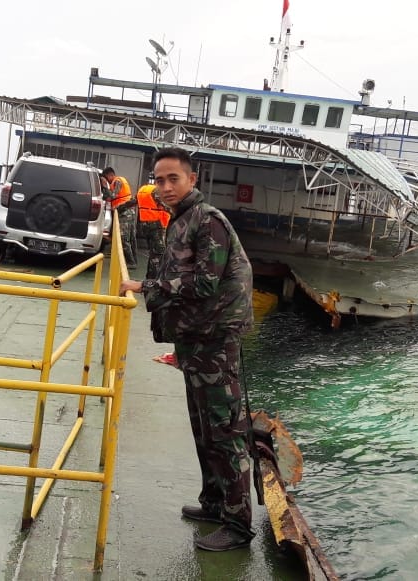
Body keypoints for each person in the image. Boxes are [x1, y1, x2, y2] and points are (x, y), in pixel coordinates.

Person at [119, 147, 255, 552]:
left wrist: (146, 288)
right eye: (158, 180)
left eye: (172, 179)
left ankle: (238, 525)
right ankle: (214, 503)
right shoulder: (178, 221)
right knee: (203, 427)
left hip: (216, 340)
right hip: (196, 339)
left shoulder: (207, 220)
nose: (164, 187)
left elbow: (204, 283)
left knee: (224, 430)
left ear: (191, 180)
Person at [135, 176, 171, 280]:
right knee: (158, 254)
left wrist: (119, 209)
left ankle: (150, 277)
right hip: (156, 226)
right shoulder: (155, 191)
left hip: (145, 224)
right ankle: (155, 279)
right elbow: (164, 205)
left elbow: (133, 201)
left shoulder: (142, 190)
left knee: (152, 252)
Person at [102, 167, 138, 269]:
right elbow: (107, 197)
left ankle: (131, 262)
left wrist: (105, 187)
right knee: (131, 238)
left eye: (106, 179)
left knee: (124, 238)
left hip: (125, 212)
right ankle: (133, 261)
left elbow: (112, 196)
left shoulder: (117, 181)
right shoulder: (120, 180)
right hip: (127, 211)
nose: (108, 181)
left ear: (110, 175)